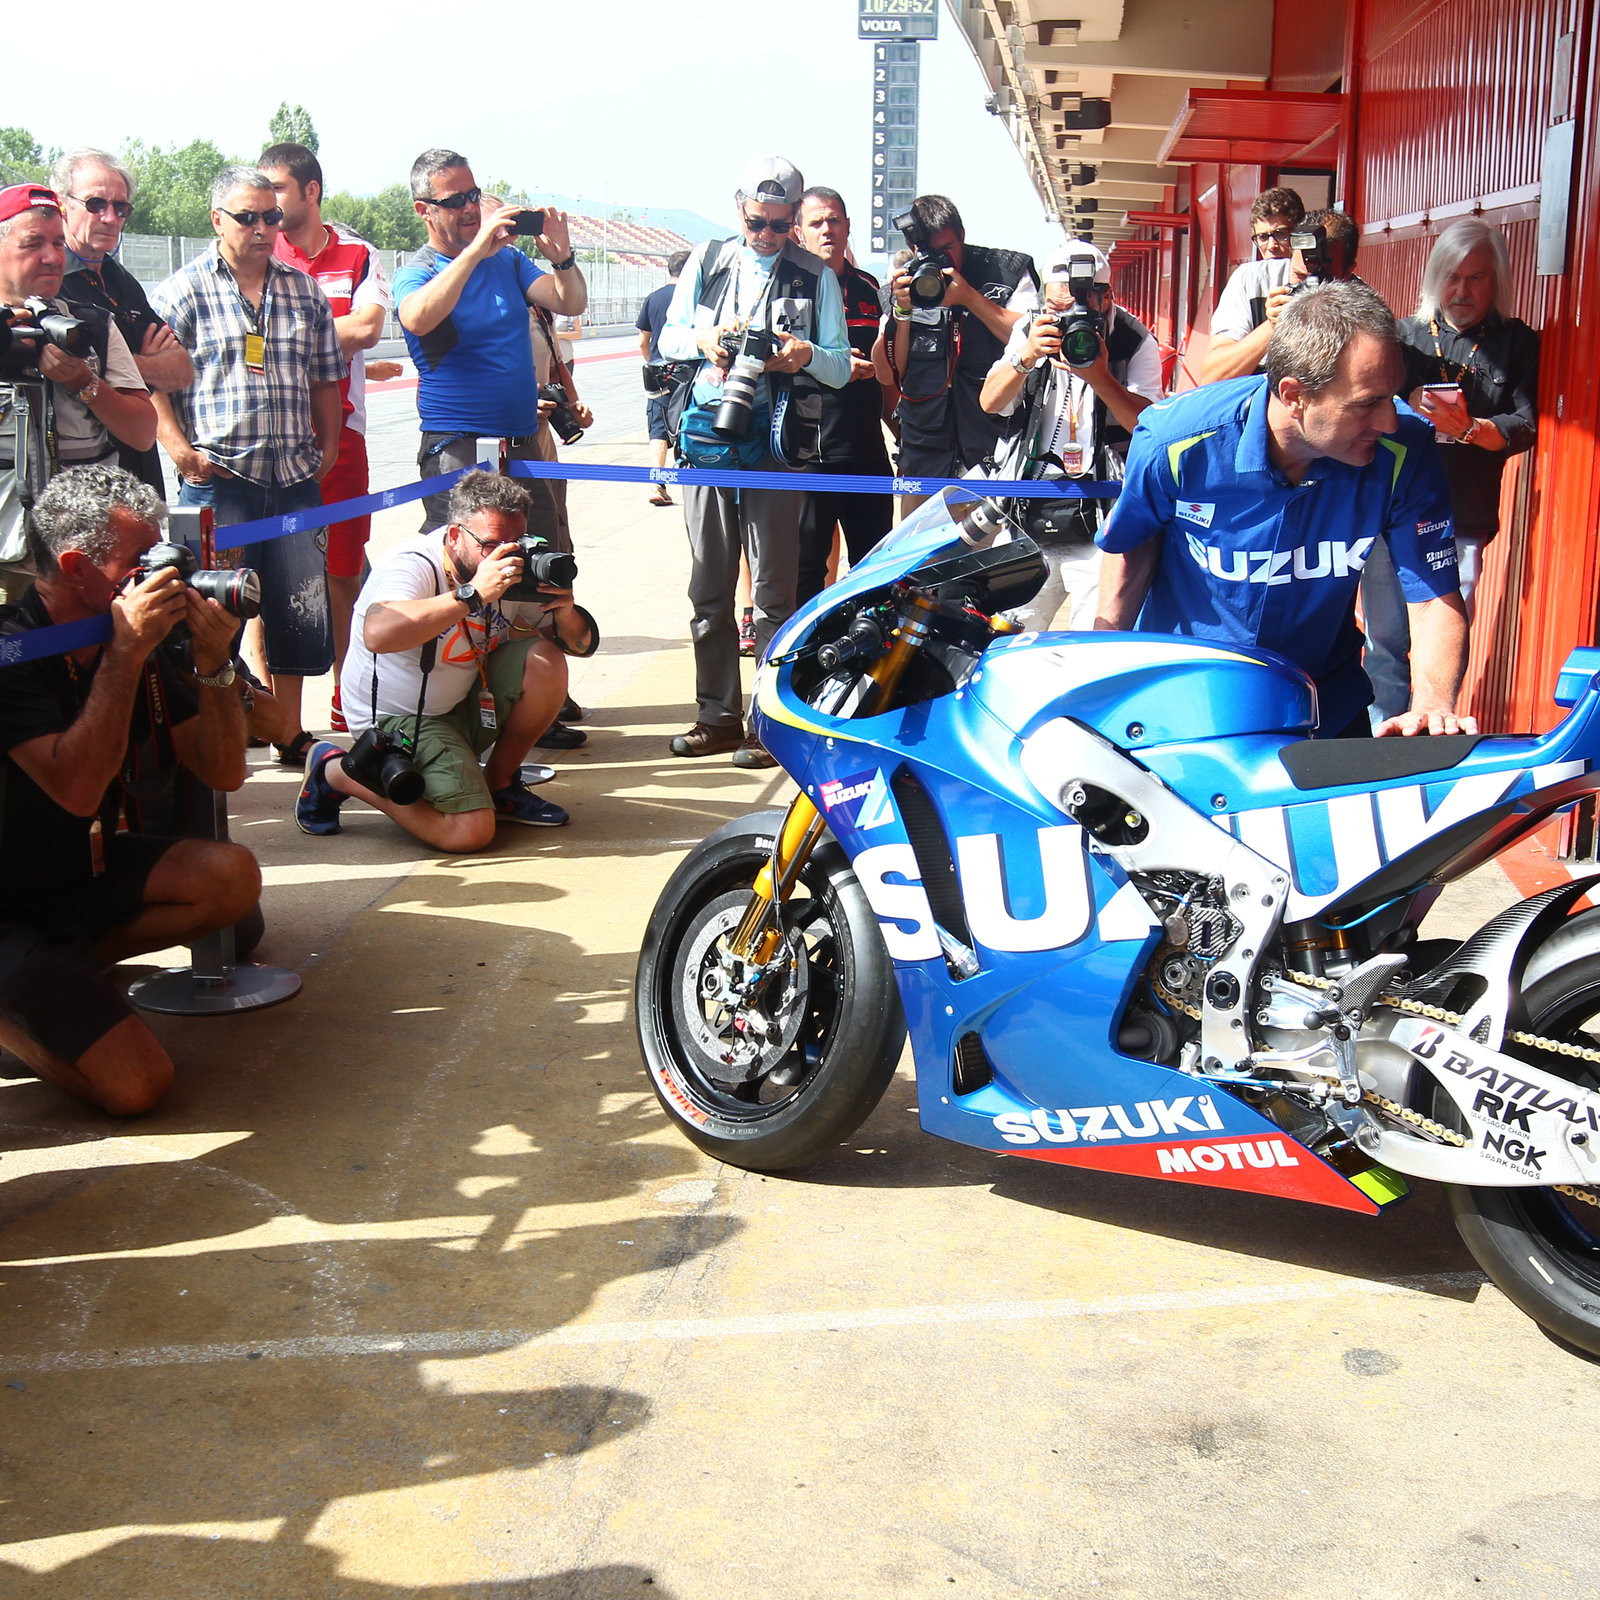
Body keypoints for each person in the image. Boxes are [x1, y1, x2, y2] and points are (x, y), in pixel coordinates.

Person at [1096, 281, 1474, 740]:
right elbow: (1130, 544)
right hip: (1186, 707)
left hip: (1322, 707)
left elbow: (1433, 593)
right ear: (1294, 394)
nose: (1388, 421)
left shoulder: (1404, 446)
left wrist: (1432, 705)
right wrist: (1100, 677)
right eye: (1366, 403)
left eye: (1391, 395)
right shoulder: (1176, 440)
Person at [0, 465, 260, 1114]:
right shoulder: (12, 650)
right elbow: (76, 790)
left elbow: (224, 771)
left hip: (76, 873)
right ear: (76, 567)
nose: (161, 575)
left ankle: (72, 972)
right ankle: (10, 1023)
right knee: (138, 1086)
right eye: (139, 561)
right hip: (5, 899)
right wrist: (125, 655)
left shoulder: (137, 638)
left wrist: (215, 663)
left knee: (229, 878)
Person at [655, 155, 851, 768]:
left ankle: (769, 725)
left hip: (777, 439)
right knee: (708, 586)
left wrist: (802, 354)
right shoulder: (708, 261)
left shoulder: (816, 275)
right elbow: (669, 338)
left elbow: (842, 366)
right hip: (708, 438)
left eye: (775, 225)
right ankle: (715, 717)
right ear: (740, 209)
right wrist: (706, 340)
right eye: (753, 222)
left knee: (773, 592)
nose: (762, 235)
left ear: (795, 219)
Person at [150, 163, 345, 768]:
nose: (263, 228)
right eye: (248, 217)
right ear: (217, 221)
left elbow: (325, 375)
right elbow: (147, 380)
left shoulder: (301, 289)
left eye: (272, 217)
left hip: (293, 479)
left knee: (298, 607)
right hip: (219, 482)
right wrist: (178, 449)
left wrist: (330, 445)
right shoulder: (181, 292)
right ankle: (224, 731)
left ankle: (288, 730)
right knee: (214, 615)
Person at [296, 471, 596, 849]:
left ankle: (500, 783)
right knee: (470, 832)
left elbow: (580, 646)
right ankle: (338, 772)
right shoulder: (413, 563)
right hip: (401, 716)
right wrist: (473, 595)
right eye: (490, 544)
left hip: (463, 702)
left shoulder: (511, 567)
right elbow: (378, 633)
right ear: (455, 535)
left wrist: (565, 611)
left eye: (514, 542)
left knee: (544, 660)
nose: (503, 556)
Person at [1362, 219, 1541, 720]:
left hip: (1463, 512)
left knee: (1444, 633)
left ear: (1497, 280)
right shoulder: (1401, 337)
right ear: (1435, 277)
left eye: (1477, 278)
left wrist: (1469, 428)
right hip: (1390, 509)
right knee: (1386, 639)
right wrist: (1404, 399)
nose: (1462, 290)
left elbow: (1524, 424)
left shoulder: (1517, 343)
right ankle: (1383, 740)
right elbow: (1363, 402)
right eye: (1452, 277)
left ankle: (1430, 733)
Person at [260, 141, 392, 739]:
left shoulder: (358, 255)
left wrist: (286, 334)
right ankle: (273, 711)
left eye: (277, 189)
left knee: (341, 572)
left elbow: (366, 328)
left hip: (342, 436)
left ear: (311, 191)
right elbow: (242, 340)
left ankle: (346, 696)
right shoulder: (258, 250)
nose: (265, 203)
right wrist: (312, 337)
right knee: (265, 573)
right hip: (271, 440)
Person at [392, 150, 587, 534]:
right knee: (470, 565)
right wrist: (477, 249)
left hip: (520, 440)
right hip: (458, 445)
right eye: (453, 201)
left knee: (543, 563)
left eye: (473, 195)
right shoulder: (419, 270)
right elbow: (417, 316)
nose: (469, 208)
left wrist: (563, 259)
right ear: (424, 210)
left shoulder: (508, 260)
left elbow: (569, 301)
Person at [977, 244, 1159, 632]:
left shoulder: (1132, 339)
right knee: (1004, 637)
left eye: (1081, 309)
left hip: (1105, 520)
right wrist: (1024, 357)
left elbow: (1148, 427)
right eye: (1057, 309)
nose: (1067, 321)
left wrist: (1100, 376)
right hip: (1027, 511)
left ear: (1107, 297)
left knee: (1097, 639)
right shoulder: (1030, 329)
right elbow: (990, 402)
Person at [0, 184, 157, 573]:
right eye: (33, 243)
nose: (52, 257)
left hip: (85, 558)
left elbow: (142, 431)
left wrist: (85, 383)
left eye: (57, 242)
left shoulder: (93, 326)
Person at [871, 194, 1037, 512]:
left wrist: (970, 299)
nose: (941, 260)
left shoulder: (1008, 272)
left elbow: (1030, 339)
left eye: (946, 248)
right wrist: (901, 312)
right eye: (928, 252)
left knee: (993, 561)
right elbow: (886, 372)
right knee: (924, 562)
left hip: (996, 457)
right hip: (925, 461)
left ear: (961, 235)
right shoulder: (903, 285)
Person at [53, 149, 194, 494]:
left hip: (138, 473)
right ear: (62, 204)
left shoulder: (122, 282)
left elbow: (182, 370)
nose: (109, 217)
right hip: (81, 480)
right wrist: (144, 366)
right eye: (96, 204)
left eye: (121, 208)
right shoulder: (51, 283)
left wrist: (118, 366)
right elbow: (62, 369)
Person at [793, 186, 895, 605]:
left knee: (876, 569)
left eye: (834, 220)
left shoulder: (871, 289)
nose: (827, 229)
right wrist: (831, 365)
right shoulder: (789, 287)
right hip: (807, 456)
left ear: (849, 226)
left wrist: (900, 426)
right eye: (816, 222)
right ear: (799, 232)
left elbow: (891, 370)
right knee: (805, 570)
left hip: (866, 451)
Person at [1202, 194, 1350, 386]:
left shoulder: (1356, 297)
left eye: (1280, 234)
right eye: (1263, 237)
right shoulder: (1250, 279)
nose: (1271, 246)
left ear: (1347, 274)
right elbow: (1213, 375)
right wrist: (1273, 325)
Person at [637, 249, 690, 507]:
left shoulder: (653, 298)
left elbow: (642, 341)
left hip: (657, 372)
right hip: (688, 371)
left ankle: (656, 484)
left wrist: (652, 361)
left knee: (658, 428)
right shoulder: (695, 297)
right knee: (690, 423)